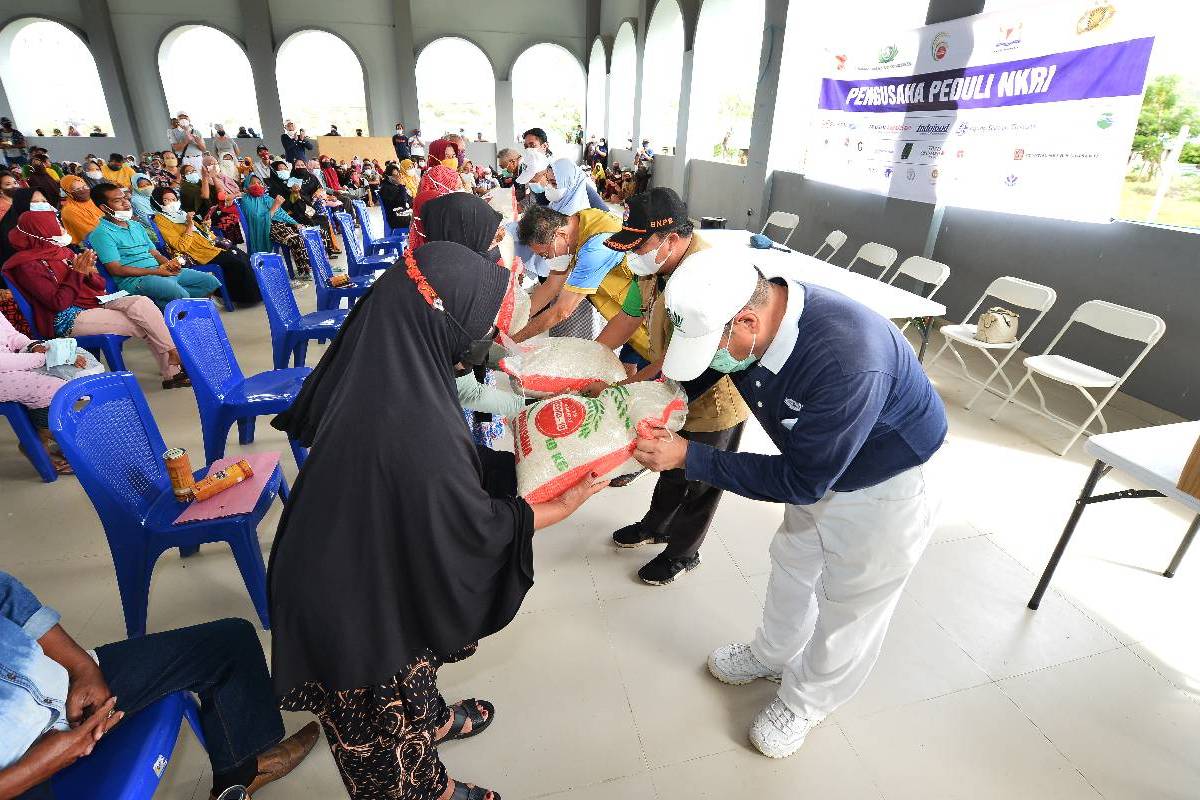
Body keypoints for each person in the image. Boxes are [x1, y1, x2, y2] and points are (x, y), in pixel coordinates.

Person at [267, 235, 607, 800]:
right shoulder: (412, 424)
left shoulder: (390, 368)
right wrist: (562, 504)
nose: (484, 341)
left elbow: (455, 468)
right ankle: (429, 792)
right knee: (383, 732)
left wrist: (535, 453)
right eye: (477, 325)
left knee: (413, 671)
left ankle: (432, 725)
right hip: (350, 614)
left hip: (360, 561)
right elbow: (470, 527)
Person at [631, 247, 948, 759]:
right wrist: (650, 400)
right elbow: (712, 370)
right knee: (793, 562)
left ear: (750, 321)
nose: (714, 356)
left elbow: (803, 482)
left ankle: (806, 700)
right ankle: (772, 652)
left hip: (883, 484)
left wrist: (689, 455)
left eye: (714, 344)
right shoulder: (757, 322)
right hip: (815, 460)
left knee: (852, 601)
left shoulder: (847, 360)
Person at [0, 570, 321, 799]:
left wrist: (82, 667)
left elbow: (6, 593)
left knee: (231, 644)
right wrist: (31, 770)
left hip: (55, 683)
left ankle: (240, 777)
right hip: (14, 771)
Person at [570, 188, 749, 584]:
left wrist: (628, 388)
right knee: (669, 463)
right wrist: (583, 362)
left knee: (701, 478)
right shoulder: (653, 266)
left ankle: (684, 553)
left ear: (671, 239)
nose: (632, 255)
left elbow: (699, 360)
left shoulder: (710, 276)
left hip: (714, 393)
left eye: (640, 245)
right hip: (671, 382)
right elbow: (628, 318)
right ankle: (658, 526)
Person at [3, 209, 191, 389]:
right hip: (66, 316)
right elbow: (57, 303)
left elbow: (98, 285)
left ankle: (173, 356)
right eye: (56, 224)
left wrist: (90, 273)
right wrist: (77, 273)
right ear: (41, 231)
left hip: (93, 301)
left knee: (142, 303)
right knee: (142, 322)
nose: (61, 228)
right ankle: (173, 370)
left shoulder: (63, 252)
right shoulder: (27, 265)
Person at [511, 204, 641, 350]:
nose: (547, 260)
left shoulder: (596, 248)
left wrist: (513, 340)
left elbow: (562, 311)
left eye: (545, 255)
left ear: (560, 235)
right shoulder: (578, 223)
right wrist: (514, 322)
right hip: (625, 315)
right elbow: (551, 286)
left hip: (641, 315)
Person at [86, 183, 222, 308]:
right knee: (179, 293)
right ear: (104, 207)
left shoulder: (136, 225)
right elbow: (116, 269)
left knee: (209, 281)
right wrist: (157, 271)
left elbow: (155, 253)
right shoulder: (101, 234)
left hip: (158, 270)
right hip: (136, 280)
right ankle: (180, 317)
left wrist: (169, 264)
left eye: (125, 198)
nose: (126, 203)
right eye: (117, 201)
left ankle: (169, 309)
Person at [151, 186, 260, 306]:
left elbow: (203, 234)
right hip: (198, 253)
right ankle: (236, 297)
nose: (172, 203)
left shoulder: (180, 213)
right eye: (167, 200)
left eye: (174, 199)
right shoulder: (161, 219)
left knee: (243, 257)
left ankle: (252, 294)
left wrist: (206, 226)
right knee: (236, 263)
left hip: (209, 246)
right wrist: (189, 226)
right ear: (158, 202)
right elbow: (180, 246)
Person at [239, 174, 312, 281]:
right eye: (253, 183)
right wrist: (275, 206)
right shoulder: (247, 201)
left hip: (282, 224)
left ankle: (311, 266)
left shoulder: (266, 198)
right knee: (295, 239)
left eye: (259, 183)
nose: (257, 185)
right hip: (268, 228)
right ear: (246, 186)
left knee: (308, 232)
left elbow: (282, 214)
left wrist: (295, 223)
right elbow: (258, 220)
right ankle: (304, 272)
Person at [406, 165, 460, 251]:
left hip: (419, 247)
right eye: (455, 186)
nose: (457, 189)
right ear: (443, 181)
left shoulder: (425, 194)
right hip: (432, 251)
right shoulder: (434, 200)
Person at [56, 175, 104, 244]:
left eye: (84, 187)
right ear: (67, 192)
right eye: (77, 189)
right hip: (92, 243)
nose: (83, 190)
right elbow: (92, 233)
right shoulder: (69, 211)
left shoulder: (92, 199)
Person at [378, 163, 413, 233]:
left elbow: (408, 200)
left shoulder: (393, 186)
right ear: (388, 176)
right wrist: (401, 186)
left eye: (398, 174)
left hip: (399, 214)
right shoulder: (387, 188)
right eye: (394, 175)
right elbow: (402, 202)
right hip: (395, 219)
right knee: (419, 220)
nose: (397, 177)